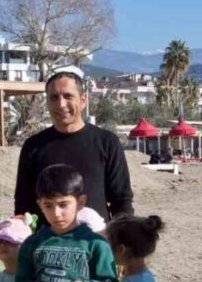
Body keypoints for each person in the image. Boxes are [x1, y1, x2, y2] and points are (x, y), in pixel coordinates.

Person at [14, 67, 134, 223]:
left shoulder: (107, 142)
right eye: (54, 97)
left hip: (94, 241)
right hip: (47, 242)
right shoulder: (34, 146)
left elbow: (122, 200)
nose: (61, 104)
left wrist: (121, 241)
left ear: (83, 100)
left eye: (68, 96)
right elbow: (23, 204)